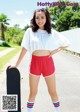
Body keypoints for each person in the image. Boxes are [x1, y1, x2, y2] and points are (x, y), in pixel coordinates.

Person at [10, 8, 70, 112]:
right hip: (35, 63)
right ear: (34, 19)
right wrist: (16, 64)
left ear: (46, 18)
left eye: (42, 17)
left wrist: (55, 51)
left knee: (53, 92)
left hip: (48, 63)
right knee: (33, 93)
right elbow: (24, 48)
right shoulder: (29, 31)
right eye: (37, 17)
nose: (40, 20)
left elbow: (66, 43)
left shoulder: (52, 32)